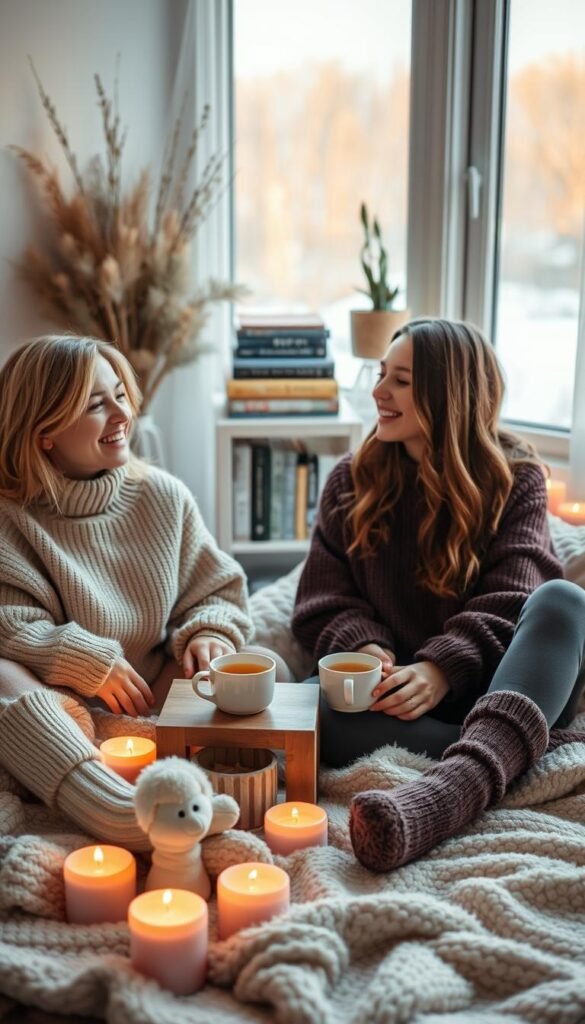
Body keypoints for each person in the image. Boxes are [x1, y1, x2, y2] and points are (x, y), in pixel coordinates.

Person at [292, 317, 585, 872]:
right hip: (399, 701)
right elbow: (320, 598)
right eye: (382, 374)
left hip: (506, 683)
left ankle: (456, 785)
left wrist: (442, 668)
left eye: (400, 380)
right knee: (310, 706)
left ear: (450, 392)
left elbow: (514, 591)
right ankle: (506, 753)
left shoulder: (516, 477)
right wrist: (366, 649)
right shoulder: (350, 481)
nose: (379, 391)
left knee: (564, 601)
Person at [0, 334, 288, 850]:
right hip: (64, 712)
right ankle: (111, 806)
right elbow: (10, 625)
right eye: (95, 404)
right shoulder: (11, 518)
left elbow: (217, 589)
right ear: (44, 431)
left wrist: (209, 632)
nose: (122, 414)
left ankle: (202, 780)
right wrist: (85, 659)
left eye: (120, 395)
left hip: (154, 695)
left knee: (267, 664)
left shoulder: (163, 496)